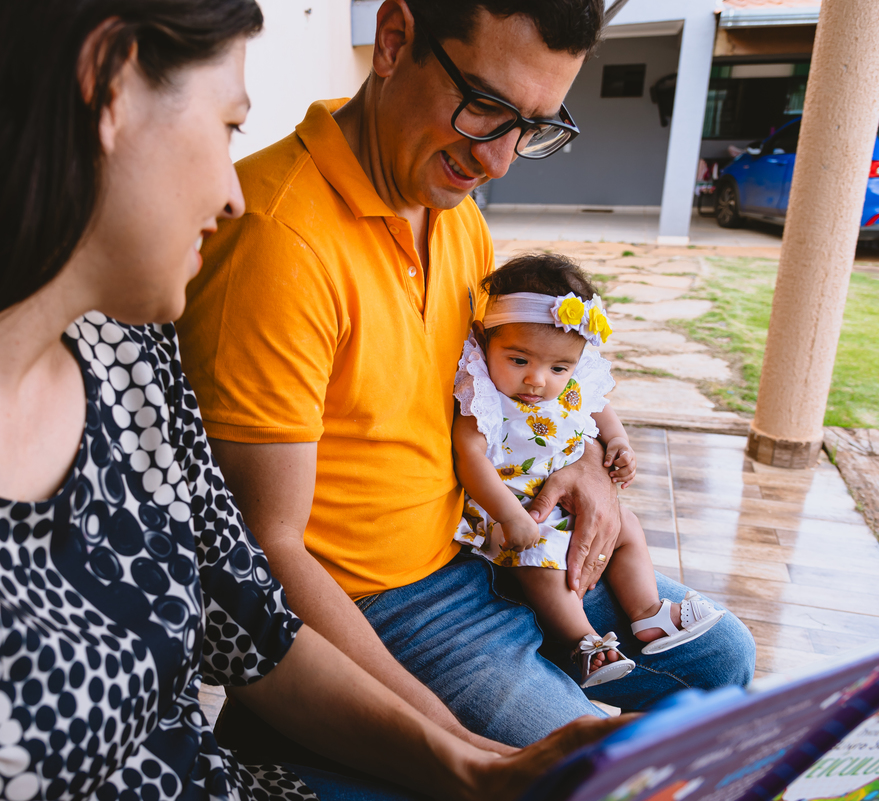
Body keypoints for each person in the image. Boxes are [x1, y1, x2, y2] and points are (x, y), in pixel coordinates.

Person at [0, 1, 630, 799]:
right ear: (107, 86)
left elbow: (256, 627)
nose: (232, 192)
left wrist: (475, 769)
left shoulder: (124, 354)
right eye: (227, 128)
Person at [177, 0, 756, 750]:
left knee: (723, 655)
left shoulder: (454, 213)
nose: (500, 159)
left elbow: (509, 378)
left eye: (534, 126)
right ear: (393, 41)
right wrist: (449, 743)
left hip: (482, 545)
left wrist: (582, 461)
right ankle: (292, 757)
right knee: (575, 758)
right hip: (382, 602)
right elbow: (265, 549)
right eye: (486, 107)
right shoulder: (276, 240)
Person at [451, 254, 726, 689]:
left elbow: (598, 408)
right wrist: (509, 514)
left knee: (627, 528)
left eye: (558, 368)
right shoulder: (483, 392)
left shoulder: (570, 378)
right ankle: (585, 644)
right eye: (519, 360)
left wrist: (617, 442)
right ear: (487, 340)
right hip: (521, 509)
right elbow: (469, 457)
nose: (538, 380)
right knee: (541, 561)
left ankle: (648, 613)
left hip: (570, 501)